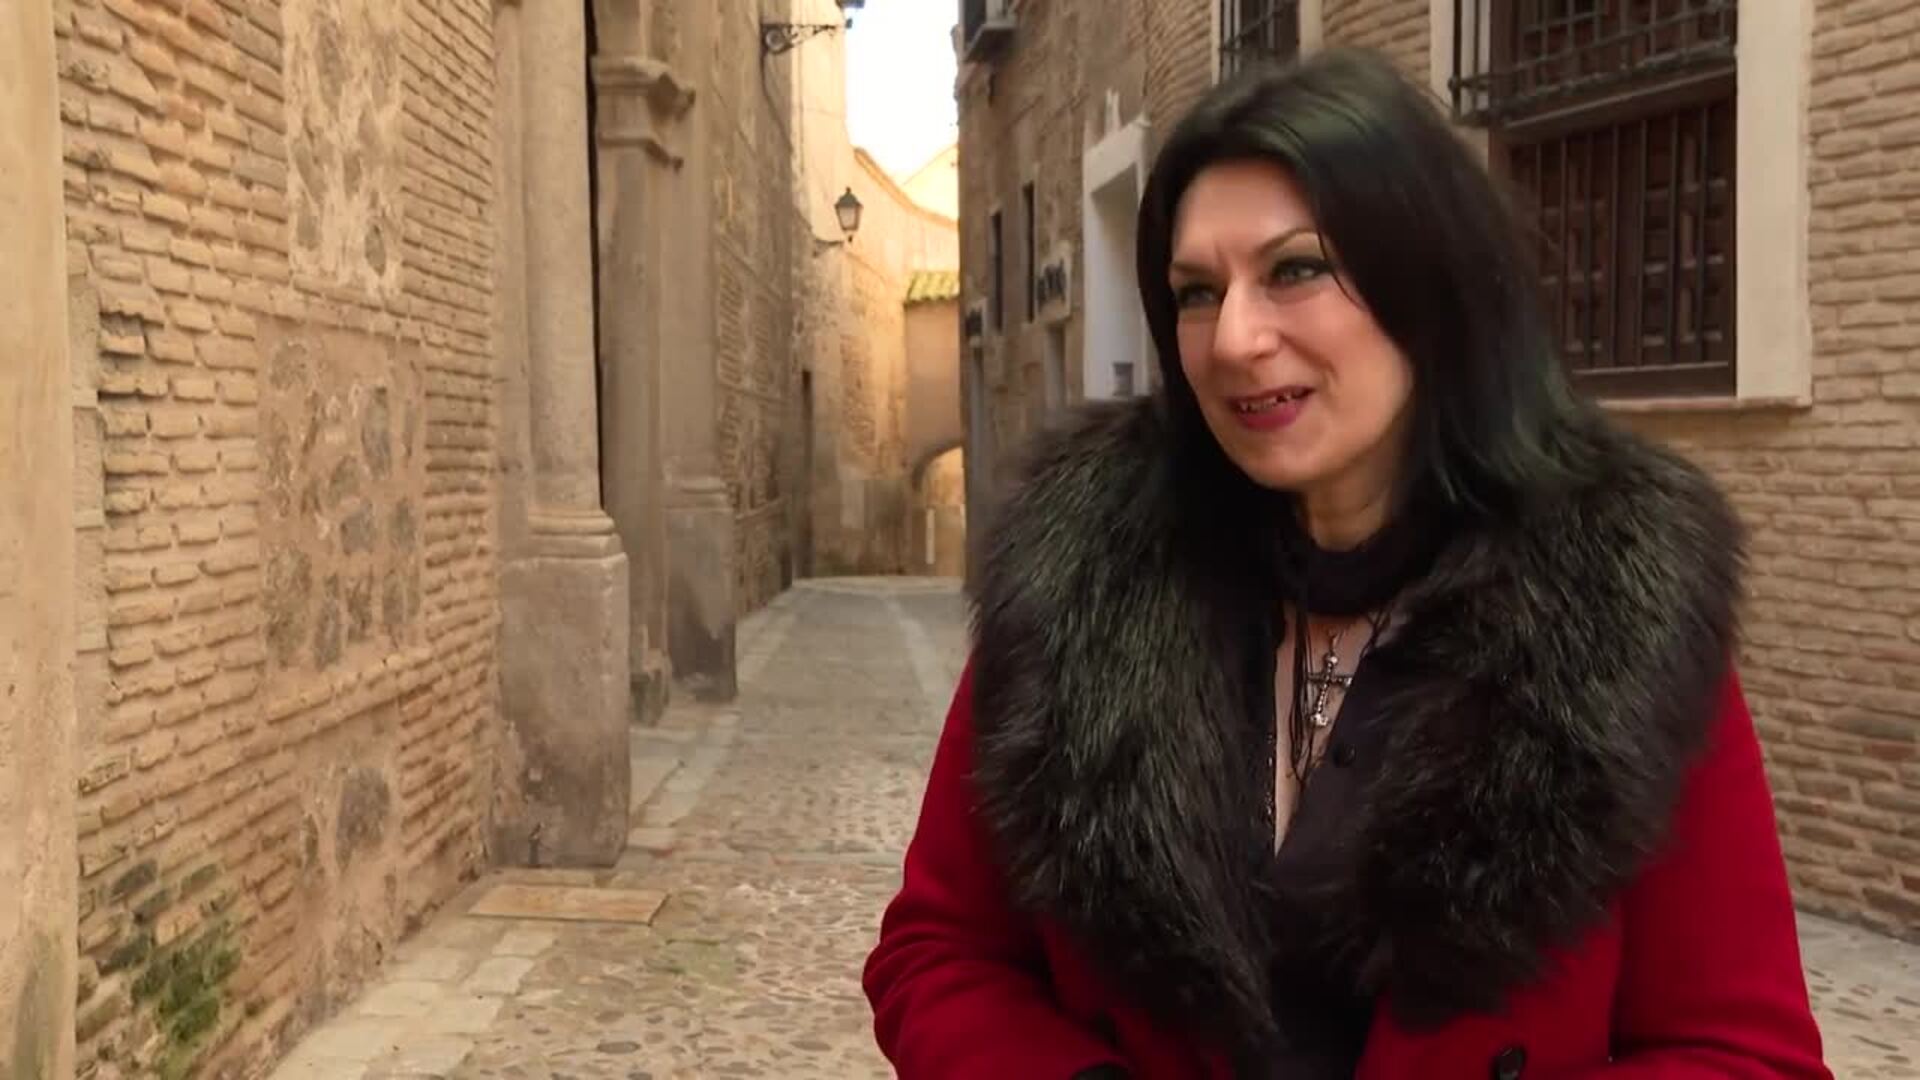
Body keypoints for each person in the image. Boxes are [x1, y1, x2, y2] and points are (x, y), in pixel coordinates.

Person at [861, 47, 1832, 1080]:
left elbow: (1747, 1053)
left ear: (1429, 284)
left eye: (1296, 270)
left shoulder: (1621, 609)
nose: (1234, 340)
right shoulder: (1080, 579)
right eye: (1196, 292)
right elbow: (938, 954)